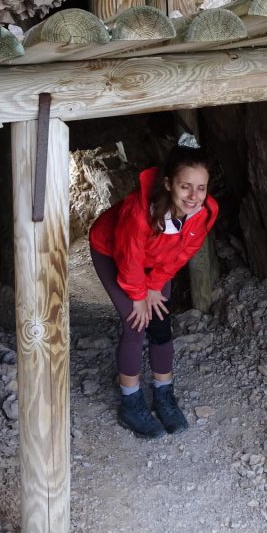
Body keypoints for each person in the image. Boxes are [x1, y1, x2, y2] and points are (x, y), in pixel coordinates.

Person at [88, 135, 218, 438]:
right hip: (112, 250)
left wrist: (155, 285)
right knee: (136, 323)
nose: (194, 195)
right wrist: (138, 294)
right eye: (186, 186)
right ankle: (131, 403)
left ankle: (163, 394)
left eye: (201, 187)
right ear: (169, 183)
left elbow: (185, 250)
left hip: (156, 263)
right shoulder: (140, 211)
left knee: (160, 324)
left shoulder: (206, 211)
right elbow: (128, 255)